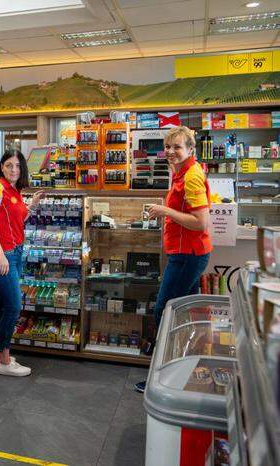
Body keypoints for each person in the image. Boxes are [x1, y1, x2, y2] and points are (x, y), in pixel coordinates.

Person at [135, 126, 212, 393]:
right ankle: (185, 374)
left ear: (190, 149)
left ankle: (161, 379)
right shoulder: (181, 173)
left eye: (177, 147)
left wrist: (165, 210)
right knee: (187, 316)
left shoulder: (190, 176)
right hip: (186, 254)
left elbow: (201, 222)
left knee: (163, 312)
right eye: (168, 147)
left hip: (188, 256)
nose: (170, 151)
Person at [0, 150, 46, 377]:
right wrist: (0, 255)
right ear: (1, 166)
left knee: (0, 304)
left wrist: (32, 205)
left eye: (18, 166)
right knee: (14, 306)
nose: (14, 170)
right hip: (5, 255)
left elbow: (17, 219)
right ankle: (4, 359)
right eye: (9, 165)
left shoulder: (14, 190)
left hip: (15, 253)